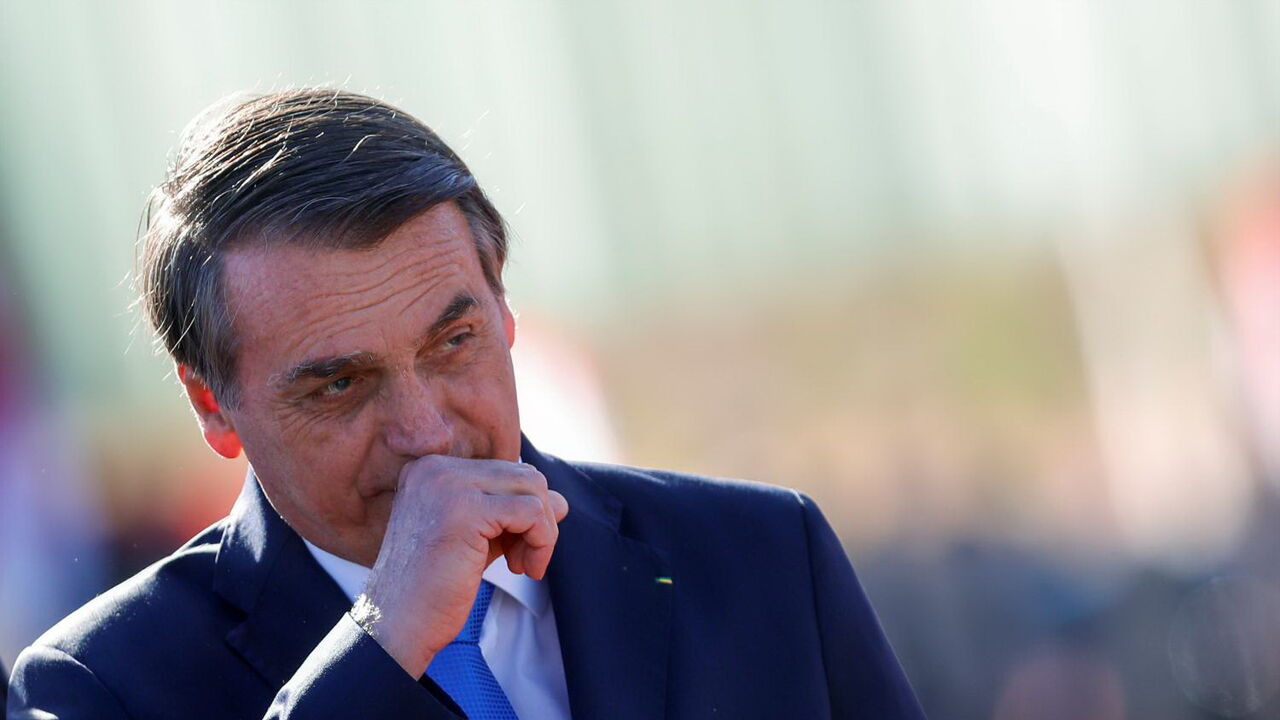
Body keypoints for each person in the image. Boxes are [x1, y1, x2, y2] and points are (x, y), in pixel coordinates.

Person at [6, 89, 925, 719]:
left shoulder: (763, 559)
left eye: (453, 343)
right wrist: (378, 646)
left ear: (504, 308)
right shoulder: (103, 684)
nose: (426, 431)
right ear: (213, 405)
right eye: (339, 385)